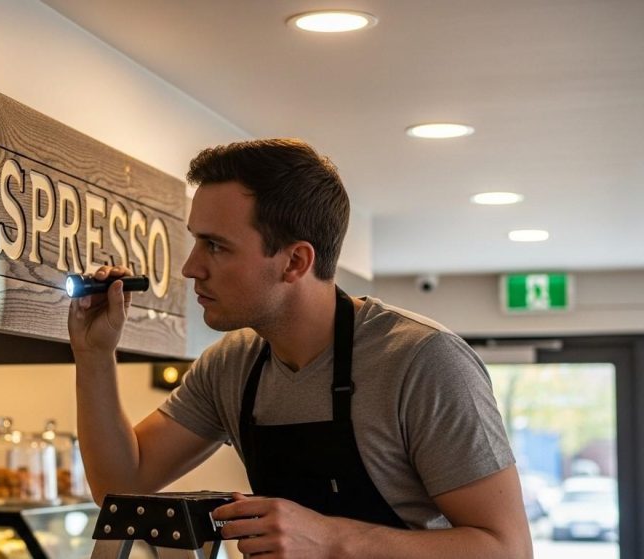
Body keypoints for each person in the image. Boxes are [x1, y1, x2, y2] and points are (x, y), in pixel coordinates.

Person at [67, 138, 532, 558]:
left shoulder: (423, 361)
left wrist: (332, 540)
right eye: (195, 241)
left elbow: (508, 550)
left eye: (215, 246)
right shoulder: (232, 364)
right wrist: (94, 355)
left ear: (295, 261)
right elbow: (120, 485)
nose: (191, 267)